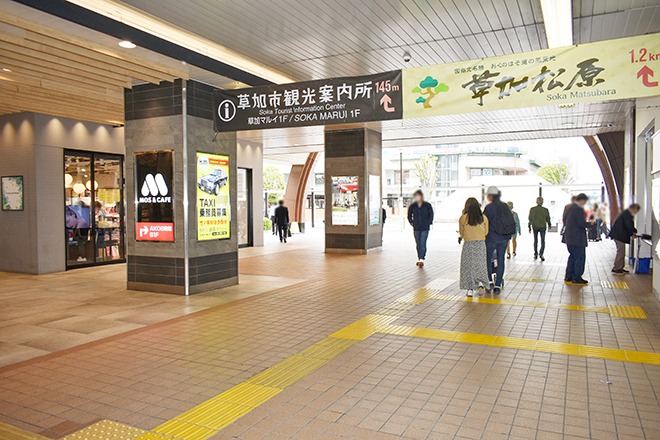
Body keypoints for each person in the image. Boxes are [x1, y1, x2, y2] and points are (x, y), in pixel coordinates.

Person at [483, 186, 516, 294]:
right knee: (501, 260)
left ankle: (489, 282)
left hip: (491, 238)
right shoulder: (505, 206)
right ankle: (497, 285)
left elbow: (484, 222)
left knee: (488, 259)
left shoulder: (489, 207)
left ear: (491, 196)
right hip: (504, 238)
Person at [459, 198, 490, 297]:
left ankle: (470, 289)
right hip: (481, 244)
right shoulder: (483, 218)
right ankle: (481, 283)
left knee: (468, 266)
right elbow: (486, 232)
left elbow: (461, 233)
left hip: (468, 244)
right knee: (480, 265)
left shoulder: (463, 218)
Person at [563, 193, 593, 285]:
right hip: (577, 238)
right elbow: (581, 223)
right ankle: (577, 277)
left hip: (569, 237)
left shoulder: (569, 207)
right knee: (580, 257)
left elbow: (564, 220)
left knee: (572, 256)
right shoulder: (579, 209)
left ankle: (568, 276)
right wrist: (590, 224)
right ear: (582, 200)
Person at [609, 203, 640, 274]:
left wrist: (632, 233)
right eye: (636, 210)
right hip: (619, 236)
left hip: (618, 235)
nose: (635, 212)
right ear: (633, 208)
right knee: (621, 252)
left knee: (621, 252)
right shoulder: (627, 215)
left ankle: (620, 267)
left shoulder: (625, 213)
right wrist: (633, 232)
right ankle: (616, 268)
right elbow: (628, 225)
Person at [407, 189, 434, 267]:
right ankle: (419, 257)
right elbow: (409, 215)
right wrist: (412, 222)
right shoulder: (413, 206)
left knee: (423, 242)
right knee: (418, 243)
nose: (417, 197)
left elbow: (431, 214)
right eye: (415, 196)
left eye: (418, 196)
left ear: (421, 196)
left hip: (425, 227)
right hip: (416, 228)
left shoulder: (427, 205)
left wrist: (429, 222)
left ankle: (422, 258)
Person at [528, 197, 552, 261]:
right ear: (542, 202)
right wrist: (549, 224)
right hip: (542, 227)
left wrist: (529, 226)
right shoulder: (545, 210)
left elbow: (530, 218)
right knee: (543, 241)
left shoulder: (532, 209)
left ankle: (535, 254)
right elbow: (548, 218)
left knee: (535, 240)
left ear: (536, 202)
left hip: (535, 226)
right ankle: (541, 254)